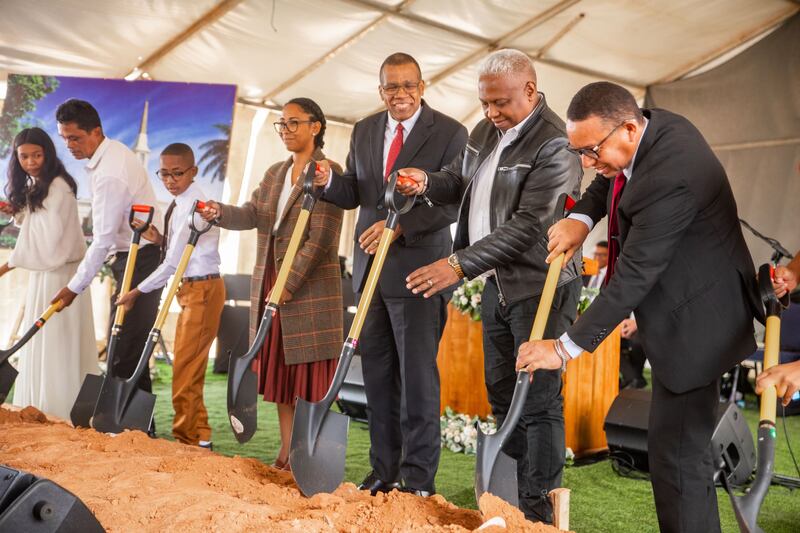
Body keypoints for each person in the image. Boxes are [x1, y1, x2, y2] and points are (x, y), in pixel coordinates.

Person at [515, 82, 762, 533]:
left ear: (628, 128)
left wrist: (564, 348)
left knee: (678, 462)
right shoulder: (650, 127)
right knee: (673, 454)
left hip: (699, 323)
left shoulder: (673, 174)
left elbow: (634, 274)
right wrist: (580, 217)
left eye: (591, 151)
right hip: (685, 303)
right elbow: (610, 180)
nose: (588, 164)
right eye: (581, 154)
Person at [400, 49, 582, 522]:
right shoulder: (485, 131)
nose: (491, 113)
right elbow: (461, 182)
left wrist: (458, 265)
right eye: (484, 103)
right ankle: (512, 496)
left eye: (500, 103)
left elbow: (529, 226)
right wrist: (426, 183)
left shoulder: (556, 143)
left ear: (529, 89)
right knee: (503, 392)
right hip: (499, 284)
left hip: (540, 286)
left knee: (538, 398)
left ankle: (538, 511)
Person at [312, 53, 467, 497]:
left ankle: (418, 480)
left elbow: (454, 202)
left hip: (420, 273)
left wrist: (398, 229)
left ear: (423, 86)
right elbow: (356, 194)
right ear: (380, 91)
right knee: (378, 378)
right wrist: (327, 182)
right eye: (391, 87)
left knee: (417, 379)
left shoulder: (451, 132)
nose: (399, 94)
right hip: (370, 274)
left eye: (407, 85)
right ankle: (384, 471)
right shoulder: (363, 130)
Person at [202, 98, 343, 470]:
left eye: (293, 123)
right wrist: (218, 212)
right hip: (270, 284)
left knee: (308, 378)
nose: (286, 131)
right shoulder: (274, 173)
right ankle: (285, 452)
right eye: (281, 124)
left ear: (316, 126)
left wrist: (286, 285)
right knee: (282, 376)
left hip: (307, 292)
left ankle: (308, 457)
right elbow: (253, 214)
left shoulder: (328, 171)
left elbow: (322, 239)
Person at [51, 99, 163, 411]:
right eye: (65, 138)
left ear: (96, 131)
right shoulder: (108, 157)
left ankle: (125, 430)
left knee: (123, 348)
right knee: (129, 347)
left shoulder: (110, 172)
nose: (69, 145)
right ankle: (141, 430)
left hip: (140, 260)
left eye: (75, 137)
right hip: (132, 259)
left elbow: (102, 240)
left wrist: (74, 287)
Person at [117, 143, 223, 449]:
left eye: (177, 173)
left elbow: (174, 263)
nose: (170, 180)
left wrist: (137, 291)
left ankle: (191, 441)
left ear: (193, 171)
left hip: (202, 288)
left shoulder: (197, 204)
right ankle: (196, 436)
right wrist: (156, 237)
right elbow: (178, 250)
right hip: (191, 288)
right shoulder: (179, 202)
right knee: (186, 367)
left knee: (186, 369)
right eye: (164, 173)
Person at [1, 127, 97, 420]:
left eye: (36, 155)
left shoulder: (58, 186)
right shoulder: (39, 183)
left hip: (61, 276)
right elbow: (37, 227)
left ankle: (58, 409)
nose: (30, 161)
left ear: (47, 153)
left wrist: (8, 265)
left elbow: (53, 241)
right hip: (46, 273)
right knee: (45, 339)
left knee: (57, 340)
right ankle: (39, 405)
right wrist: (16, 211)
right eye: (24, 156)